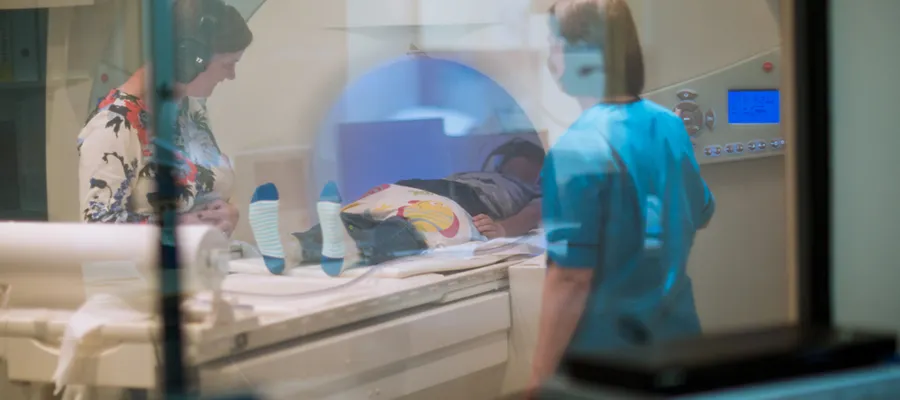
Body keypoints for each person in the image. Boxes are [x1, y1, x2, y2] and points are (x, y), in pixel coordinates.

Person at [528, 0, 716, 393]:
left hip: (609, 365)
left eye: (554, 44)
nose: (550, 58)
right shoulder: (669, 126)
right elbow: (701, 210)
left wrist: (539, 379)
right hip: (680, 347)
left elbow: (569, 278)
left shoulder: (576, 150)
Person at [77, 0, 252, 237]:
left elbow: (203, 188)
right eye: (228, 64)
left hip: (207, 262)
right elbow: (99, 233)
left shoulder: (189, 109)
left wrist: (230, 213)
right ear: (189, 59)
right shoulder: (116, 125)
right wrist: (176, 230)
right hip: (149, 273)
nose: (231, 75)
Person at [246, 138, 545, 275]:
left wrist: (504, 228)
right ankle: (318, 247)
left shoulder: (532, 191)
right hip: (438, 194)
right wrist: (502, 225)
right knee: (390, 224)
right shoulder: (507, 182)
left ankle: (299, 247)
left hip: (435, 192)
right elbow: (532, 212)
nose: (513, 174)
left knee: (377, 220)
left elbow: (533, 214)